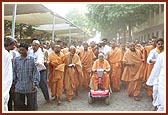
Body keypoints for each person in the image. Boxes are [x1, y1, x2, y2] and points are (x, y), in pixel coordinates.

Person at [13, 42, 40, 111]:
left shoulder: (31, 60)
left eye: (23, 50)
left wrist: (35, 83)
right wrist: (14, 83)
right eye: (20, 50)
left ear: (27, 50)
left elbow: (35, 72)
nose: (21, 52)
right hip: (19, 86)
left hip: (30, 86)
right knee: (19, 106)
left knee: (31, 107)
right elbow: (14, 72)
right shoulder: (16, 60)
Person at [28, 40, 50, 110]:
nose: (33, 47)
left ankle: (47, 98)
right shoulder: (30, 52)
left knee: (42, 84)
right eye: (32, 45)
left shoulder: (41, 53)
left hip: (41, 71)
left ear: (38, 46)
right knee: (32, 85)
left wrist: (36, 62)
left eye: (35, 45)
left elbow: (39, 61)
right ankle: (31, 102)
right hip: (33, 71)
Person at [3, 37, 16, 111]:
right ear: (9, 45)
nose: (14, 47)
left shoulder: (10, 53)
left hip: (7, 82)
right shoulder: (5, 54)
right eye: (13, 45)